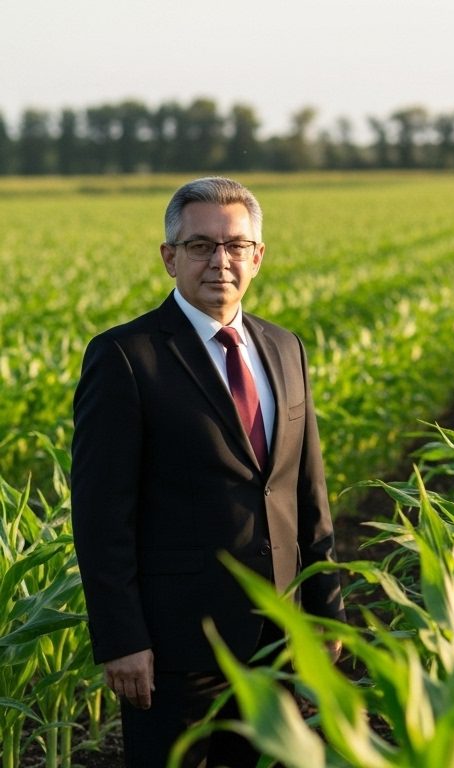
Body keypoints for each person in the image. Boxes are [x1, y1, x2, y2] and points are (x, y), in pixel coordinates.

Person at [71, 177, 345, 767]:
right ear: (170, 258)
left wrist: (326, 610)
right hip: (176, 651)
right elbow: (100, 517)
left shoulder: (285, 347)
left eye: (235, 246)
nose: (220, 261)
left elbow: (306, 491)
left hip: (278, 640)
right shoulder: (126, 356)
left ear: (258, 257)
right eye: (200, 246)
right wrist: (123, 641)